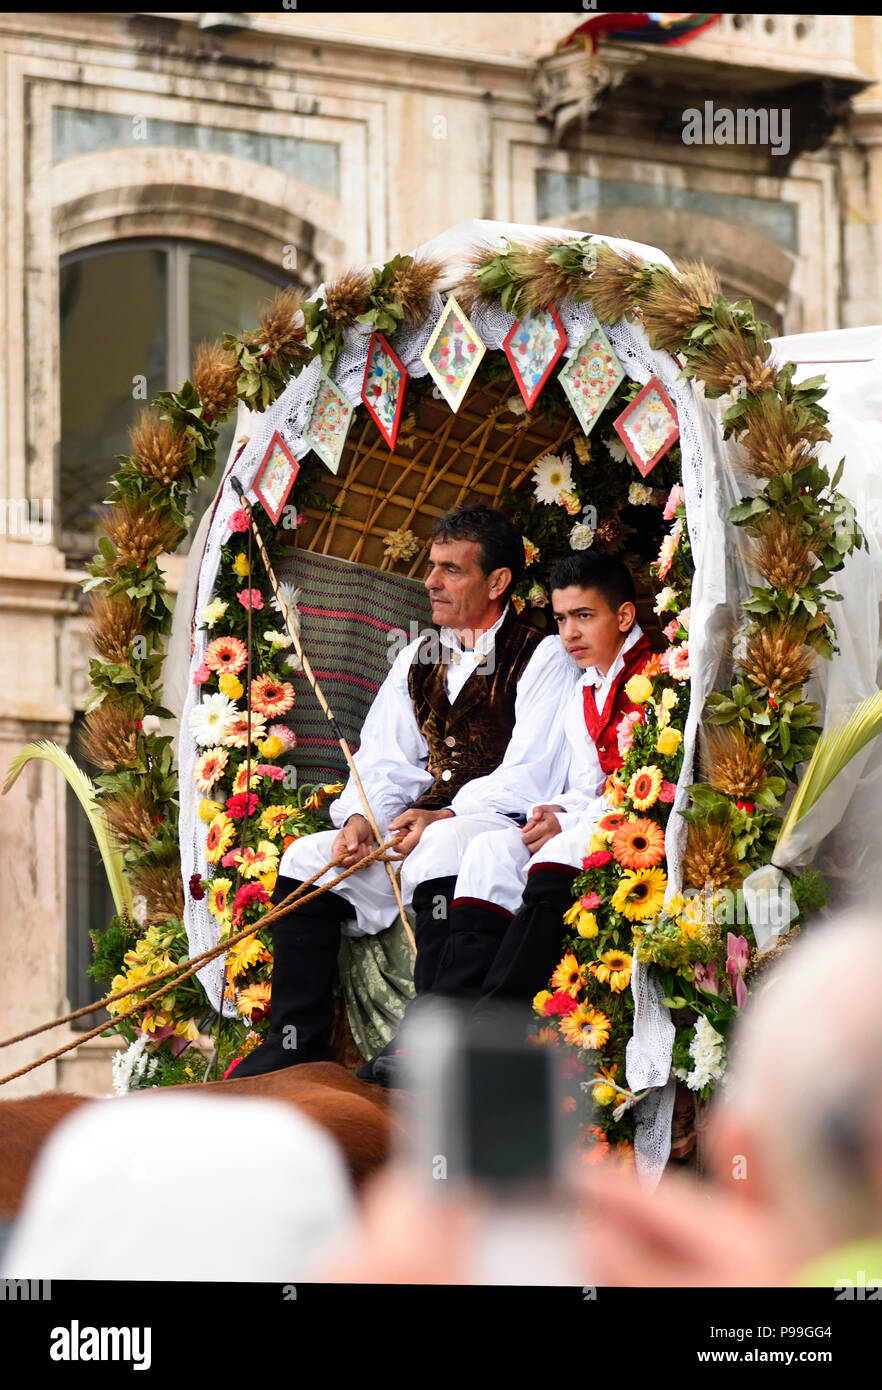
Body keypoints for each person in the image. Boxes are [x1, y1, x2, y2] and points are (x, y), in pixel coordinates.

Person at [231, 505, 581, 1079]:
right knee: (304, 857)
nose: (431, 582)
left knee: (444, 847)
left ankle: (429, 1038)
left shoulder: (541, 654)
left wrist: (443, 815)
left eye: (451, 570)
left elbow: (533, 773)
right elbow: (385, 759)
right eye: (431, 567)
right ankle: (296, 1042)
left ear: (498, 582)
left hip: (498, 825)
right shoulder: (419, 657)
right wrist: (362, 819)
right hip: (419, 828)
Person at [371, 552, 659, 1087]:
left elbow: (648, 783)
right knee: (488, 851)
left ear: (623, 617)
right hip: (591, 815)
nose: (570, 633)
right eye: (561, 619)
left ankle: (491, 1030)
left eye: (584, 617)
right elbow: (581, 787)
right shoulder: (586, 687)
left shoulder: (657, 678)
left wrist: (570, 819)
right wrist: (561, 812)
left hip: (645, 823)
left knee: (552, 854)